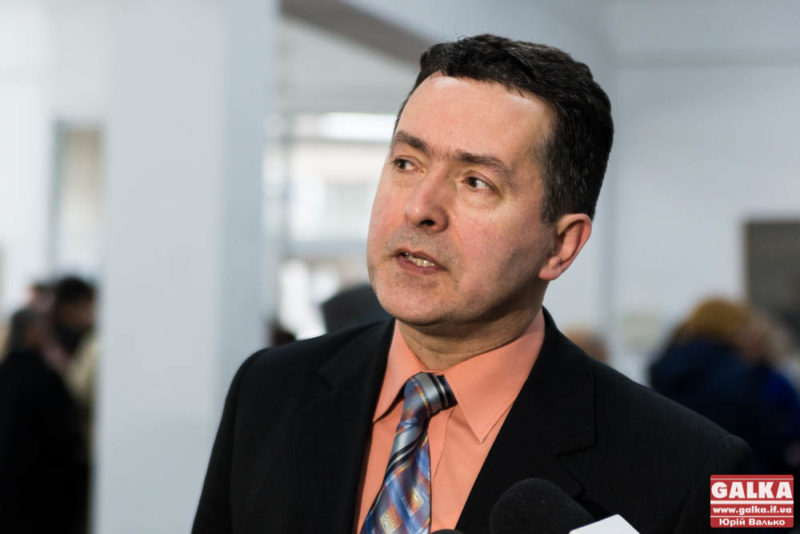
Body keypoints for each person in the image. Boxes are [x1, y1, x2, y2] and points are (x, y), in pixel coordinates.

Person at [193, 35, 751, 534]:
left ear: (561, 245)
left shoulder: (700, 470)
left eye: (476, 182)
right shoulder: (269, 391)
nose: (419, 207)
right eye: (406, 162)